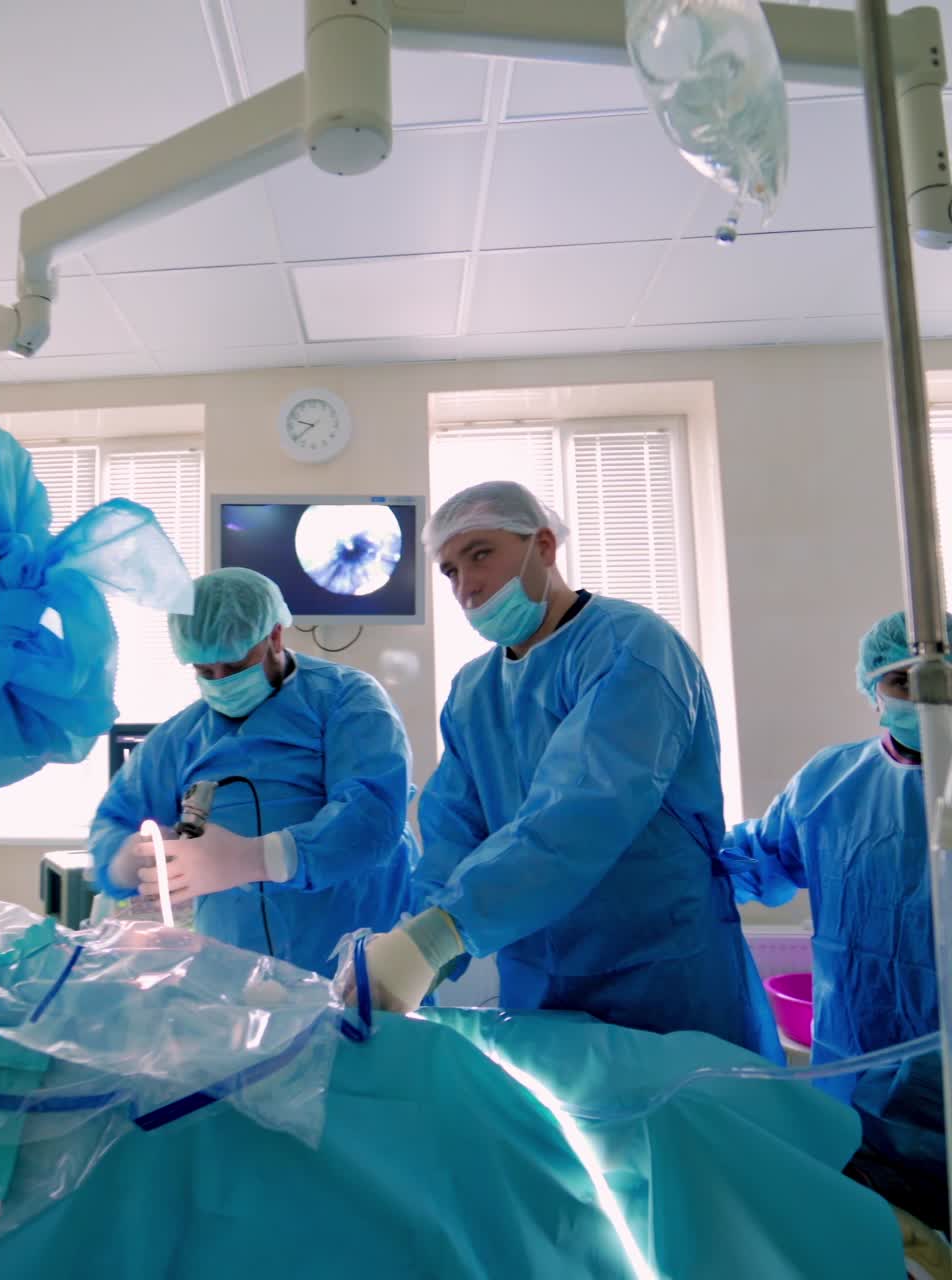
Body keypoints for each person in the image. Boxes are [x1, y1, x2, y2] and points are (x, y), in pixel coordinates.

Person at [344, 480, 780, 1061]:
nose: (466, 584)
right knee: (556, 1117)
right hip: (538, 972)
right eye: (450, 571)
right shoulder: (473, 691)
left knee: (687, 1111)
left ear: (544, 546)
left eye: (480, 554)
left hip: (659, 964)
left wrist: (443, 932)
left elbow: (584, 808)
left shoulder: (632, 646)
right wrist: (419, 938)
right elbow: (455, 833)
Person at [720, 610, 949, 1230]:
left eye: (937, 677)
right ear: (873, 690)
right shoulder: (830, 782)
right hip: (854, 1066)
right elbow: (755, 859)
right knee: (875, 1232)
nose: (921, 694)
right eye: (900, 680)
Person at [89, 567, 415, 978]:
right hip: (235, 977)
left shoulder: (346, 699)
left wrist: (257, 858)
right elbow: (113, 823)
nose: (220, 682)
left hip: (355, 961)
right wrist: (127, 859)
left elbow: (371, 819)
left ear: (275, 637)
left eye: (234, 666)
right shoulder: (180, 739)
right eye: (204, 672)